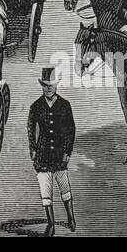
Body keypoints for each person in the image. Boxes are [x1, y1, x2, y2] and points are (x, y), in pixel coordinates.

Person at [28, 67, 76, 236]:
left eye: (51, 85)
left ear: (56, 86)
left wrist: (67, 152)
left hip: (59, 153)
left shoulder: (64, 105)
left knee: (64, 188)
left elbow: (71, 130)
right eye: (46, 85)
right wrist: (32, 149)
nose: (48, 88)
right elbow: (30, 129)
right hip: (42, 154)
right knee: (45, 190)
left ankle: (71, 219)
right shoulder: (35, 106)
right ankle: (51, 224)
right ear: (42, 86)